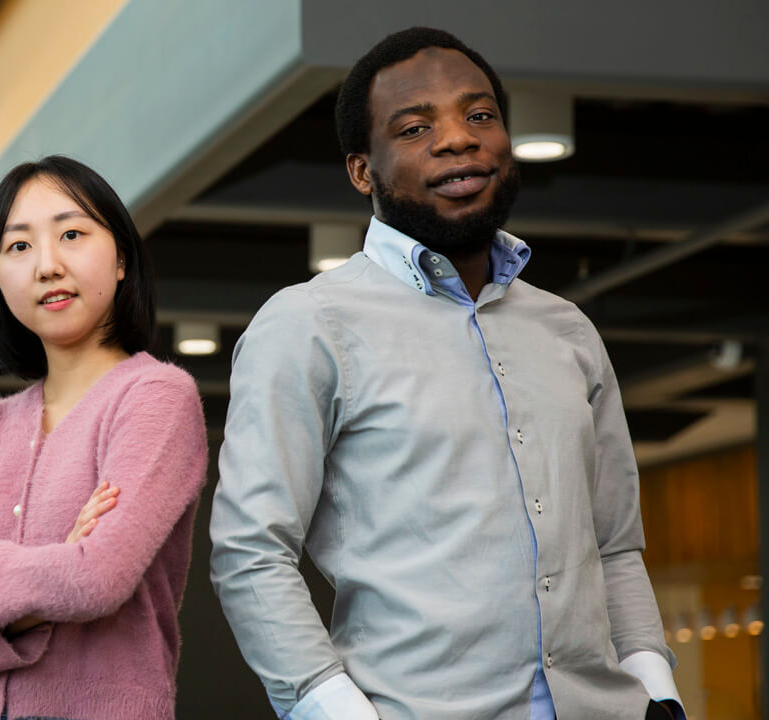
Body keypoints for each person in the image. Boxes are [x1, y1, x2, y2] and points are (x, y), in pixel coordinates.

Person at [210, 27, 684, 720]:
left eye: (480, 115)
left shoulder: (567, 330)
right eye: (414, 126)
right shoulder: (308, 325)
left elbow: (614, 546)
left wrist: (657, 690)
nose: (459, 138)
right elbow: (251, 552)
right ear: (361, 171)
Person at [0, 155, 208, 720]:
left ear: (120, 261)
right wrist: (50, 570)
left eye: (71, 234)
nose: (47, 265)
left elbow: (96, 580)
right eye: (19, 246)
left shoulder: (157, 396)